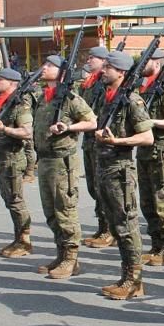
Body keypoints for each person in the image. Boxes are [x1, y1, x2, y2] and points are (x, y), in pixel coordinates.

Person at [93, 51, 154, 299]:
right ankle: (125, 275)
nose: (102, 70)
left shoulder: (131, 101)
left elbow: (147, 137)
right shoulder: (107, 97)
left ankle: (134, 280)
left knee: (126, 225)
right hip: (104, 167)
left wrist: (119, 140)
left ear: (121, 72)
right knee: (115, 224)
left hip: (121, 170)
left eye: (108, 67)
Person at [32, 55, 97, 279]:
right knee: (50, 212)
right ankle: (61, 253)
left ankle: (71, 259)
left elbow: (92, 122)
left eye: (49, 65)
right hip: (45, 159)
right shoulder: (45, 98)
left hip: (63, 161)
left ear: (61, 72)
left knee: (65, 210)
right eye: (45, 63)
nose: (44, 67)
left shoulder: (71, 99)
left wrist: (69, 127)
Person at [138, 49, 164, 267]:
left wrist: (150, 122)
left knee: (162, 200)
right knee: (147, 202)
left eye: (146, 60)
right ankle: (156, 245)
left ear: (157, 63)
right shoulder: (143, 86)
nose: (141, 63)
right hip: (144, 150)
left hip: (161, 151)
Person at [0, 68, 35, 258]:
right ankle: (18, 237)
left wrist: (5, 129)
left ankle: (24, 240)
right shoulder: (1, 100)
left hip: (13, 158)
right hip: (1, 157)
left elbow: (26, 131)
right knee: (9, 199)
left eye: (1, 79)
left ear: (12, 83)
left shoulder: (19, 104)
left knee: (16, 201)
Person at [79, 46, 113, 249]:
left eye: (94, 58)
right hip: (89, 140)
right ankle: (102, 226)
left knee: (103, 188)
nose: (89, 60)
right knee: (93, 186)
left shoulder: (105, 83)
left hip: (101, 139)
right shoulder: (89, 83)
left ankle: (109, 229)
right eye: (89, 56)